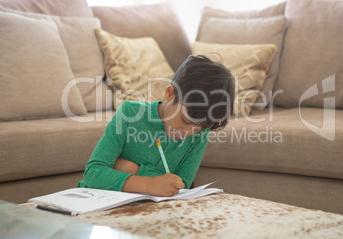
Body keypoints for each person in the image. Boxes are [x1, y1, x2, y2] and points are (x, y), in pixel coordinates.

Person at [77, 55, 235, 197]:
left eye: (198, 127)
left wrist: (130, 169)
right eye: (186, 121)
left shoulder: (200, 133)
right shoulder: (130, 113)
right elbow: (93, 173)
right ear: (170, 93)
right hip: (94, 202)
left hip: (143, 211)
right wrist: (148, 184)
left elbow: (180, 187)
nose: (189, 132)